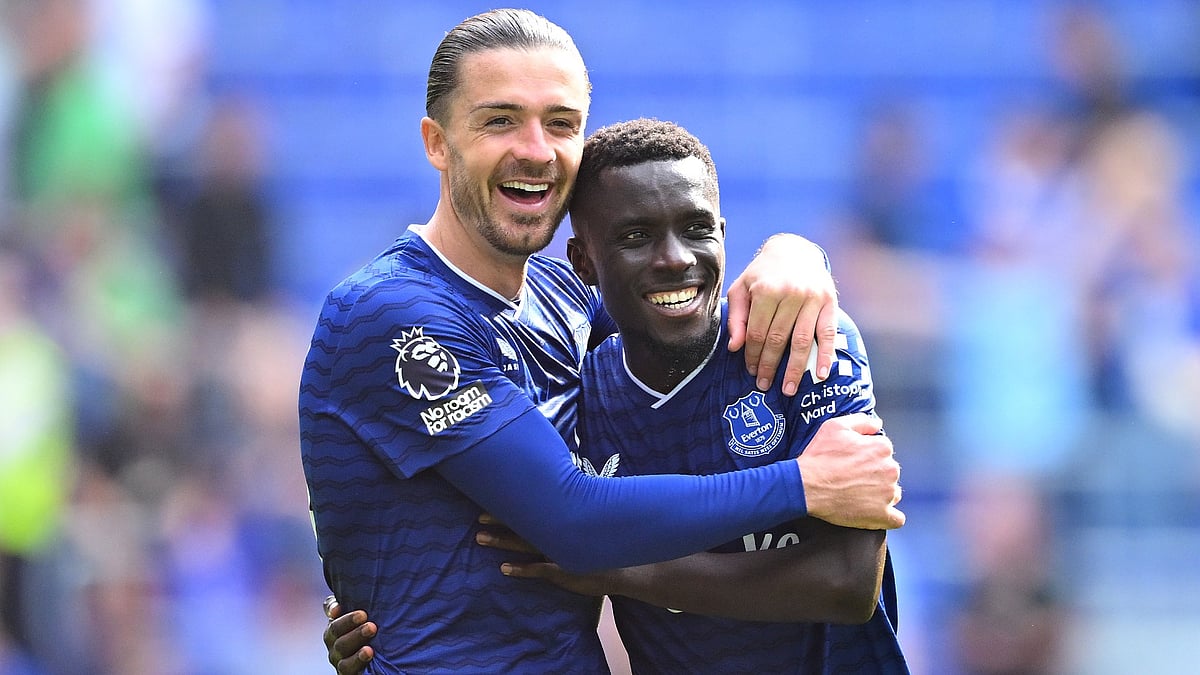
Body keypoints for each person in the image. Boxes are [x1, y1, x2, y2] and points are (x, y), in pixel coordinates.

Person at [302, 9, 903, 673]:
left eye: (560, 123)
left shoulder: (567, 303)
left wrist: (798, 254)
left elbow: (680, 299)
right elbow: (573, 519)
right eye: (500, 119)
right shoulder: (391, 313)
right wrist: (806, 483)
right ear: (438, 143)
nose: (535, 148)